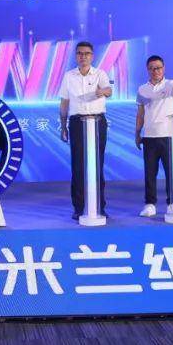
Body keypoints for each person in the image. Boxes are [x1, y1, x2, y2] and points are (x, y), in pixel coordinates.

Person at [59, 41, 112, 220]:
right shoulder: (69, 76)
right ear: (76, 56)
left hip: (97, 121)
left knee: (97, 164)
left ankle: (99, 206)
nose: (83, 56)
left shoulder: (100, 74)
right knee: (78, 165)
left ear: (92, 56)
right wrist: (63, 125)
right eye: (80, 53)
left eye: (87, 53)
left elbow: (109, 90)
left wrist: (101, 92)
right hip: (77, 122)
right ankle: (79, 207)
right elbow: (64, 102)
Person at [135, 55, 173, 218]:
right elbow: (140, 113)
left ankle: (172, 203)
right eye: (152, 68)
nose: (155, 71)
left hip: (169, 135)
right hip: (149, 136)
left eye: (158, 68)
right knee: (150, 172)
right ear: (147, 70)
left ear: (164, 68)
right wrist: (137, 133)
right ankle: (150, 204)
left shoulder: (171, 84)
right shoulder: (142, 89)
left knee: (171, 172)